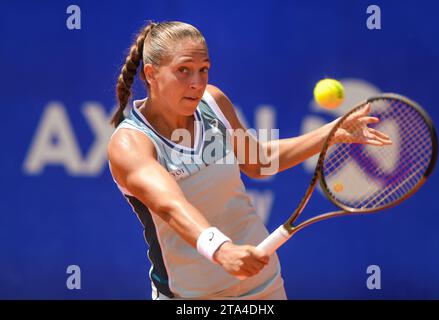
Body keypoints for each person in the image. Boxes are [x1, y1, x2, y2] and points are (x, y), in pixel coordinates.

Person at [107, 21, 392, 300]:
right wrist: (222, 250)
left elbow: (258, 161)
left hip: (263, 285)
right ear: (151, 73)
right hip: (189, 297)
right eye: (183, 70)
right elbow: (170, 205)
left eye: (203, 70)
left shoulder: (213, 102)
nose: (196, 83)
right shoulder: (130, 143)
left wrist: (331, 132)